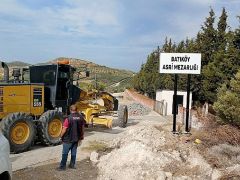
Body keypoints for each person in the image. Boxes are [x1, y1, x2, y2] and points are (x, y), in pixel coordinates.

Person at [57, 105, 85, 170]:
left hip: (68, 139)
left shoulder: (68, 118)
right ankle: (72, 165)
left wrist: (60, 136)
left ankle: (62, 167)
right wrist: (82, 136)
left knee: (65, 153)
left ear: (70, 110)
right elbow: (83, 128)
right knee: (74, 152)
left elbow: (64, 129)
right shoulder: (81, 117)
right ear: (77, 110)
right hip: (76, 138)